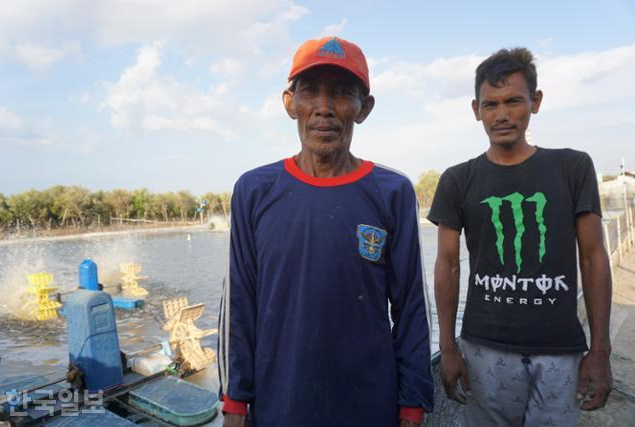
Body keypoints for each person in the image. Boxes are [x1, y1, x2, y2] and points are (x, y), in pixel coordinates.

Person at [218, 36, 434, 427]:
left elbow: (412, 309)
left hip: (370, 406)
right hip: (279, 405)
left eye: (341, 94)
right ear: (290, 103)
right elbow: (239, 306)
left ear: (363, 108)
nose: (323, 109)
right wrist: (235, 402)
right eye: (310, 92)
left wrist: (412, 406)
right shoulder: (254, 190)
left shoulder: (392, 193)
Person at [428, 47, 613, 426]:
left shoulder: (572, 167)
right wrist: (448, 347)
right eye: (490, 104)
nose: (501, 114)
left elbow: (593, 258)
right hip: (483, 350)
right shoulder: (457, 180)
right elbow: (446, 265)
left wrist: (600, 350)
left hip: (560, 352)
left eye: (513, 101)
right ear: (475, 108)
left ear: (536, 101)